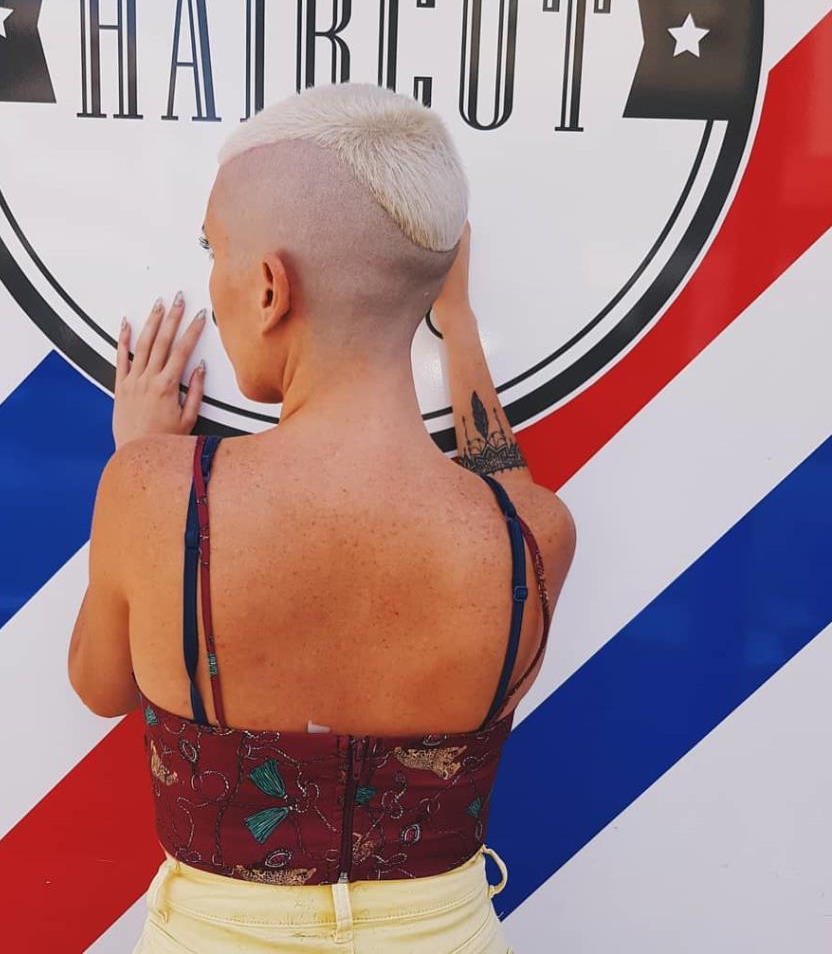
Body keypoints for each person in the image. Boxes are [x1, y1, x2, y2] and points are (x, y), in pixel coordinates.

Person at [68, 81, 577, 953]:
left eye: (214, 250)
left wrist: (137, 455)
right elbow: (506, 484)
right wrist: (455, 323)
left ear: (269, 287)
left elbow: (99, 687)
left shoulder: (154, 492)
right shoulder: (533, 534)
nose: (212, 284)